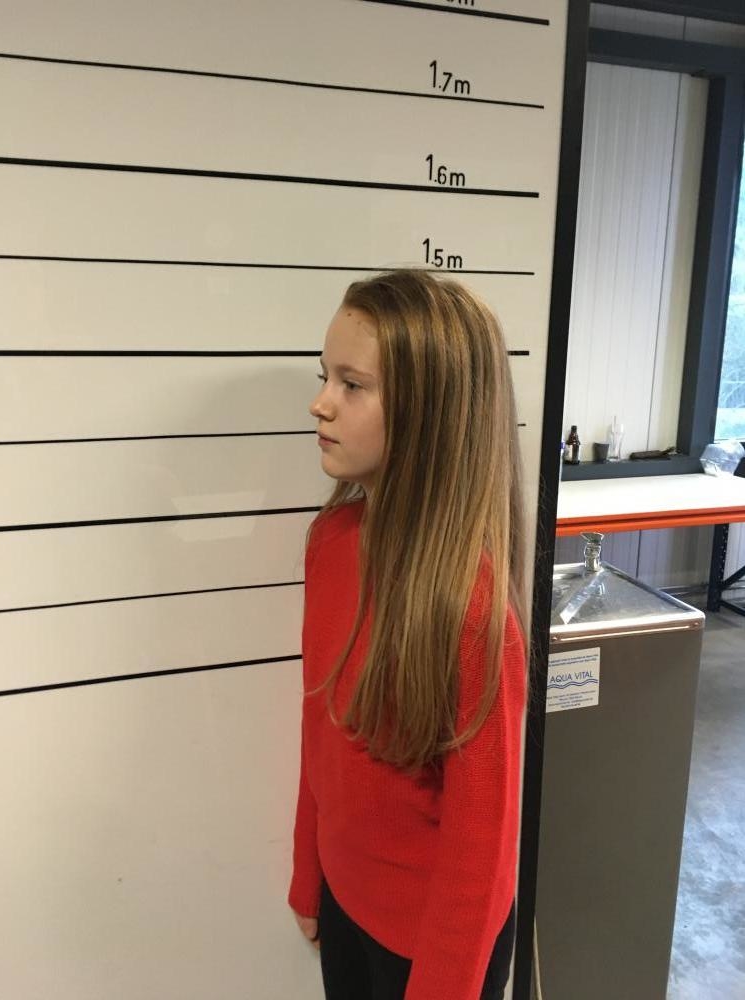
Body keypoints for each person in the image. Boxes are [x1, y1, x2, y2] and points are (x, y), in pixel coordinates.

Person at [287, 268, 529, 1000]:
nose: (321, 403)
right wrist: (308, 872)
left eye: (352, 385)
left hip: (436, 951)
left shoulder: (471, 610)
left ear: (427, 411)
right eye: (326, 377)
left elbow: (484, 846)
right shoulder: (331, 542)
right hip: (348, 906)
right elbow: (320, 726)